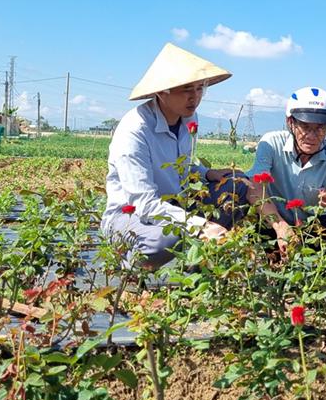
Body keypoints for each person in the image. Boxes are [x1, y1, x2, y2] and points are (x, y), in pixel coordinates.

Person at [101, 43, 240, 268]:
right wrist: (201, 226)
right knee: (163, 240)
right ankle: (131, 274)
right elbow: (144, 204)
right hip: (129, 216)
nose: (194, 97)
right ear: (160, 92)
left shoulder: (188, 119)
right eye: (186, 89)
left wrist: (207, 173)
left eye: (199, 88)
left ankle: (196, 272)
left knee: (236, 187)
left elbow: (179, 166)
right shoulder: (135, 130)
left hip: (175, 204)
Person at [244, 87, 326, 256]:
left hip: (306, 228)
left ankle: (323, 276)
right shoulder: (272, 143)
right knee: (239, 204)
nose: (312, 135)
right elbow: (253, 189)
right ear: (290, 122)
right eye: (305, 126)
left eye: (320, 128)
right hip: (270, 221)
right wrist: (281, 227)